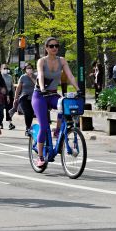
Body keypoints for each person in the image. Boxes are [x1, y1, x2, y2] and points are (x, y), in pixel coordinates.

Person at [32, 37, 80, 167]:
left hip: (53, 93)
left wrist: (78, 89)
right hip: (40, 95)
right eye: (51, 46)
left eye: (56, 46)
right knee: (43, 125)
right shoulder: (41, 61)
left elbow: (70, 75)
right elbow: (41, 75)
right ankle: (40, 157)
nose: (54, 48)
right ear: (46, 48)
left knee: (64, 105)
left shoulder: (62, 60)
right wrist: (42, 88)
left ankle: (58, 130)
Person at [11, 63, 37, 136]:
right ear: (25, 70)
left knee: (31, 113)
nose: (29, 69)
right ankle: (28, 128)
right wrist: (15, 98)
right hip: (24, 97)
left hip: (33, 98)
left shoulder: (36, 76)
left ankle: (28, 127)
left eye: (30, 68)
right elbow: (18, 88)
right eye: (27, 68)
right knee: (27, 112)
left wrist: (31, 77)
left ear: (33, 69)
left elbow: (37, 85)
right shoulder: (22, 77)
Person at [0, 64, 15, 131]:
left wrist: (14, 95)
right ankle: (0, 123)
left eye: (6, 68)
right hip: (1, 95)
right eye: (4, 68)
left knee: (9, 109)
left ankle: (10, 123)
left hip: (9, 94)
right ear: (1, 69)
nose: (5, 69)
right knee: (1, 109)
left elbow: (12, 86)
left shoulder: (10, 77)